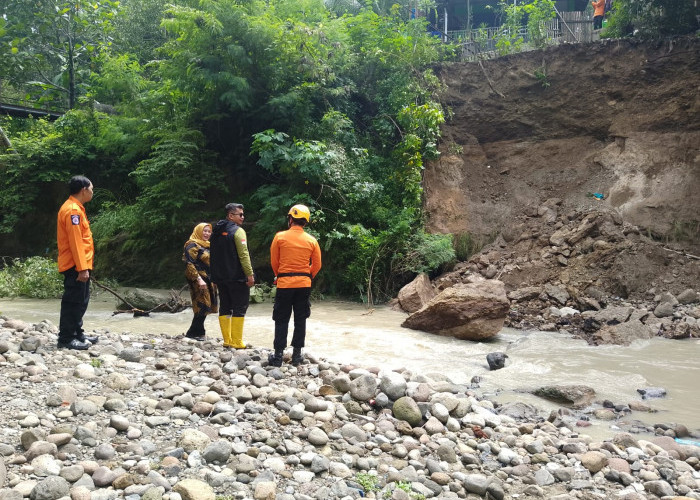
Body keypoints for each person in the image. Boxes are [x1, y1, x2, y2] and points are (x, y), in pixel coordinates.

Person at [268, 204, 322, 367]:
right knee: (300, 318)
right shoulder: (312, 240)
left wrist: (281, 275)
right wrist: (307, 276)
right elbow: (317, 264)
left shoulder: (279, 237)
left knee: (281, 318)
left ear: (290, 219)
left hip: (284, 284)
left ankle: (278, 356)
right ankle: (297, 355)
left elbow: (274, 261)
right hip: (304, 284)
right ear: (305, 222)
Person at [56, 175, 98, 350]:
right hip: (75, 265)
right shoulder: (73, 210)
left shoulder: (76, 208)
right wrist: (82, 268)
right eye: (92, 189)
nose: (92, 193)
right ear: (84, 190)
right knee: (73, 301)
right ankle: (66, 338)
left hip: (80, 264)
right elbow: (76, 242)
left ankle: (77, 332)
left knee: (81, 300)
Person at [210, 203, 255, 348]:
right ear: (230, 215)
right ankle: (237, 341)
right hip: (236, 276)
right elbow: (244, 254)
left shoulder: (216, 232)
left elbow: (214, 256)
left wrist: (214, 276)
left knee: (225, 306)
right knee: (240, 307)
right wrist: (249, 274)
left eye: (243, 214)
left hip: (220, 277)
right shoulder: (238, 231)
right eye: (240, 214)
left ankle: (227, 340)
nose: (243, 217)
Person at [183, 223, 218, 340]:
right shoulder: (191, 245)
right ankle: (195, 332)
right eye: (205, 231)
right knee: (201, 304)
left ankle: (197, 331)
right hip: (197, 278)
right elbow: (189, 263)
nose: (207, 233)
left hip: (209, 278)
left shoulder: (208, 245)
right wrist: (198, 279)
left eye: (209, 231)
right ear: (198, 231)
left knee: (208, 304)